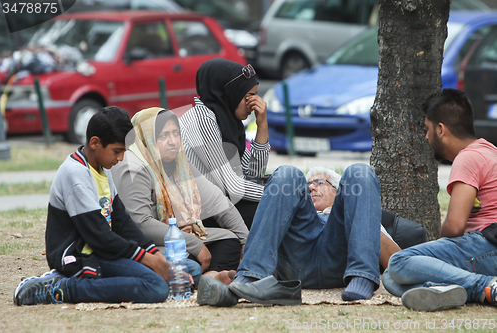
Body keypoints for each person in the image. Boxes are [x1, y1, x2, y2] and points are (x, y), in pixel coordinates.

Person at [13, 106, 202, 306]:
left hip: (106, 252)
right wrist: (151, 261)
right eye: (117, 151)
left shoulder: (103, 170)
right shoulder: (75, 173)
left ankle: (118, 280)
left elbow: (122, 222)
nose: (120, 158)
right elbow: (99, 237)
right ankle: (62, 288)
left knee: (191, 269)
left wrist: (155, 254)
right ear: (95, 143)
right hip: (82, 256)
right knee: (156, 287)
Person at [197, 162, 390, 306]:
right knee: (287, 173)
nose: (312, 187)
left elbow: (394, 261)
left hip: (341, 261)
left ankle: (362, 277)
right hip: (298, 260)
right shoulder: (294, 214)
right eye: (308, 185)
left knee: (360, 171)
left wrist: (366, 226)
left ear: (340, 191)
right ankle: (251, 278)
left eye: (320, 182)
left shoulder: (357, 211)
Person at [383, 89, 497, 311]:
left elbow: (455, 226)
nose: (426, 136)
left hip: (487, 246)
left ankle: (486, 286)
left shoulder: (468, 157)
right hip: (485, 253)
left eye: (427, 129)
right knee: (390, 276)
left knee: (397, 262)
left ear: (441, 129)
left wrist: (436, 252)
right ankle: (449, 290)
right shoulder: (490, 151)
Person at [111, 108, 249, 285]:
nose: (173, 142)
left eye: (176, 133)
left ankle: (211, 278)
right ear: (145, 137)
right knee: (190, 266)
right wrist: (194, 244)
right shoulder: (133, 166)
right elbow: (141, 223)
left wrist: (247, 242)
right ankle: (204, 278)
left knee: (230, 240)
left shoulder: (179, 162)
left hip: (179, 239)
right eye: (163, 136)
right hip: (146, 245)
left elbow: (219, 203)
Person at [179, 58, 270, 229]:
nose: (253, 104)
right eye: (249, 97)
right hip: (203, 215)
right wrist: (278, 195)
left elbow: (253, 177)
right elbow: (233, 187)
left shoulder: (229, 123)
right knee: (278, 202)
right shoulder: (201, 119)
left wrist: (262, 126)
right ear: (229, 92)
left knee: (284, 178)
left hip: (226, 206)